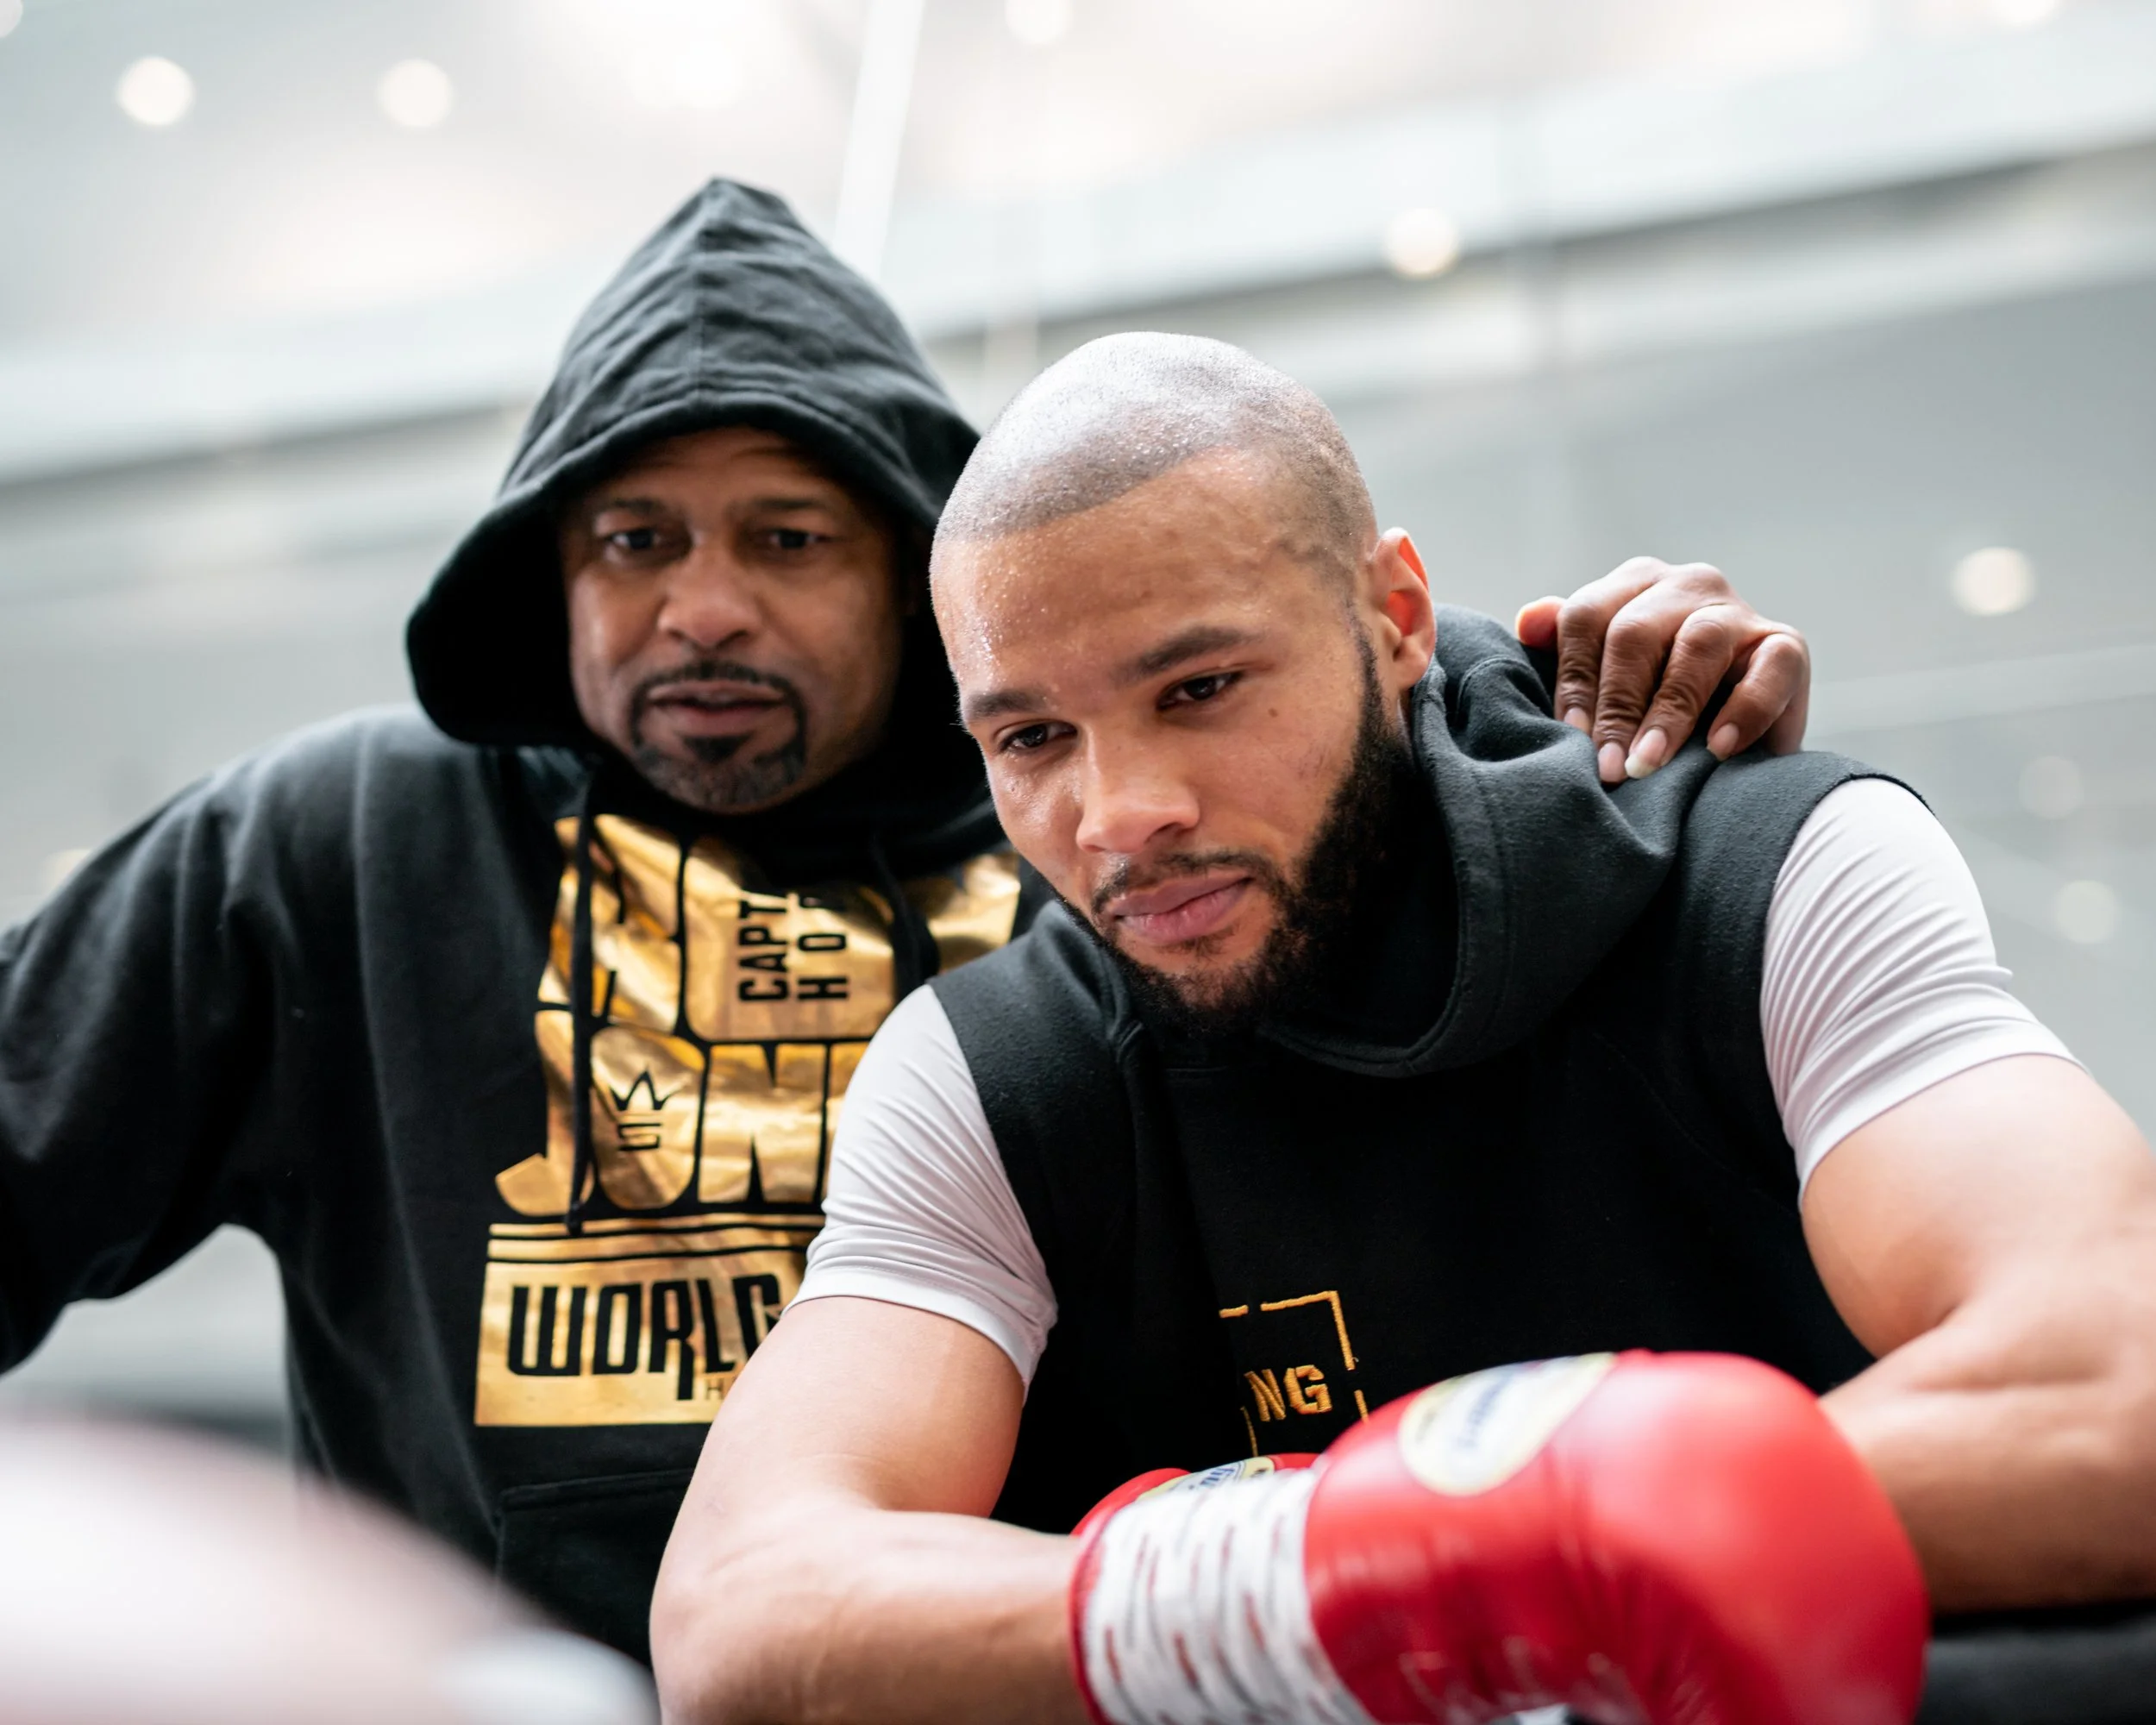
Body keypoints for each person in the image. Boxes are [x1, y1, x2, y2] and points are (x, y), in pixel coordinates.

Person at [0, 185, 1803, 1662]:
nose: (702, 608)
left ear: (921, 574)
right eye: (633, 541)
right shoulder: (327, 848)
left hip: (1039, 1673)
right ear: (548, 569)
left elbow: (1357, 751)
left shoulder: (1104, 833)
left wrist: (1613, 703)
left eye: (788, 539)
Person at [649, 334, 2156, 1725]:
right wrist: (1350, 1581)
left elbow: (2119, 1394)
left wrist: (1481, 1551)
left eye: (1201, 686)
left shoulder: (1760, 873)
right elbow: (742, 1610)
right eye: (1032, 736)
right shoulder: (994, 1070)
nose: (1119, 814)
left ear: (1395, 621)